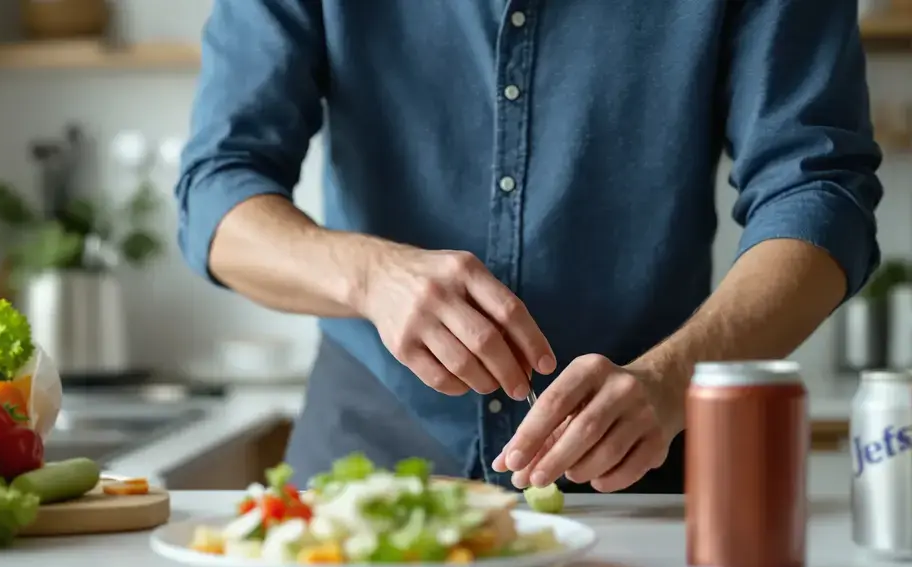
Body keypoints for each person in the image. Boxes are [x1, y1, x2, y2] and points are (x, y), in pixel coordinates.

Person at [175, 2, 883, 493]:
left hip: (645, 468)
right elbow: (217, 191)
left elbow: (819, 192)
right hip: (363, 460)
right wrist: (369, 275)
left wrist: (674, 379)